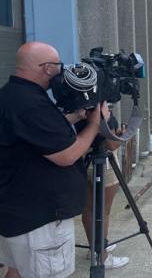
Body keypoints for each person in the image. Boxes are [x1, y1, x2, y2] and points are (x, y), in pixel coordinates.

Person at [0, 42, 101, 278]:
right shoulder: (32, 104)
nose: (61, 71)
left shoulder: (11, 95)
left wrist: (75, 117)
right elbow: (67, 155)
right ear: (46, 68)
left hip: (15, 213)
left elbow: (37, 135)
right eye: (58, 65)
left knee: (15, 271)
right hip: (40, 219)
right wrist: (95, 124)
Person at [81, 105, 129, 269]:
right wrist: (121, 136)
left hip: (82, 157)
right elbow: (111, 145)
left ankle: (94, 248)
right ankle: (102, 256)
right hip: (103, 162)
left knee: (88, 208)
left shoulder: (76, 104)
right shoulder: (100, 108)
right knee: (103, 211)